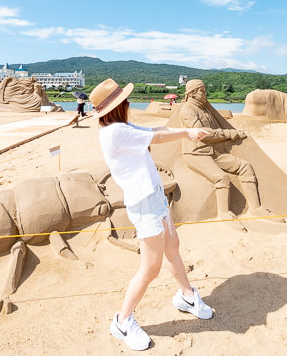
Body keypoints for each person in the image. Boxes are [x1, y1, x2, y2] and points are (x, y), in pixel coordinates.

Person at [90, 78, 213, 351]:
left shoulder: (119, 127)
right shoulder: (114, 132)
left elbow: (154, 129)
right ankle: (122, 321)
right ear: (117, 107)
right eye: (125, 101)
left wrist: (183, 129)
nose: (129, 104)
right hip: (145, 205)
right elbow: (155, 137)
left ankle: (187, 296)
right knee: (151, 268)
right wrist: (186, 134)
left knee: (173, 247)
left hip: (154, 197)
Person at [179, 79, 274, 220]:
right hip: (196, 154)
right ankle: (224, 214)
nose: (205, 93)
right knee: (222, 179)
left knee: (245, 167)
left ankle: (255, 209)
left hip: (214, 153)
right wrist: (230, 134)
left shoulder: (204, 108)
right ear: (193, 93)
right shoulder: (188, 110)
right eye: (202, 91)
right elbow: (203, 134)